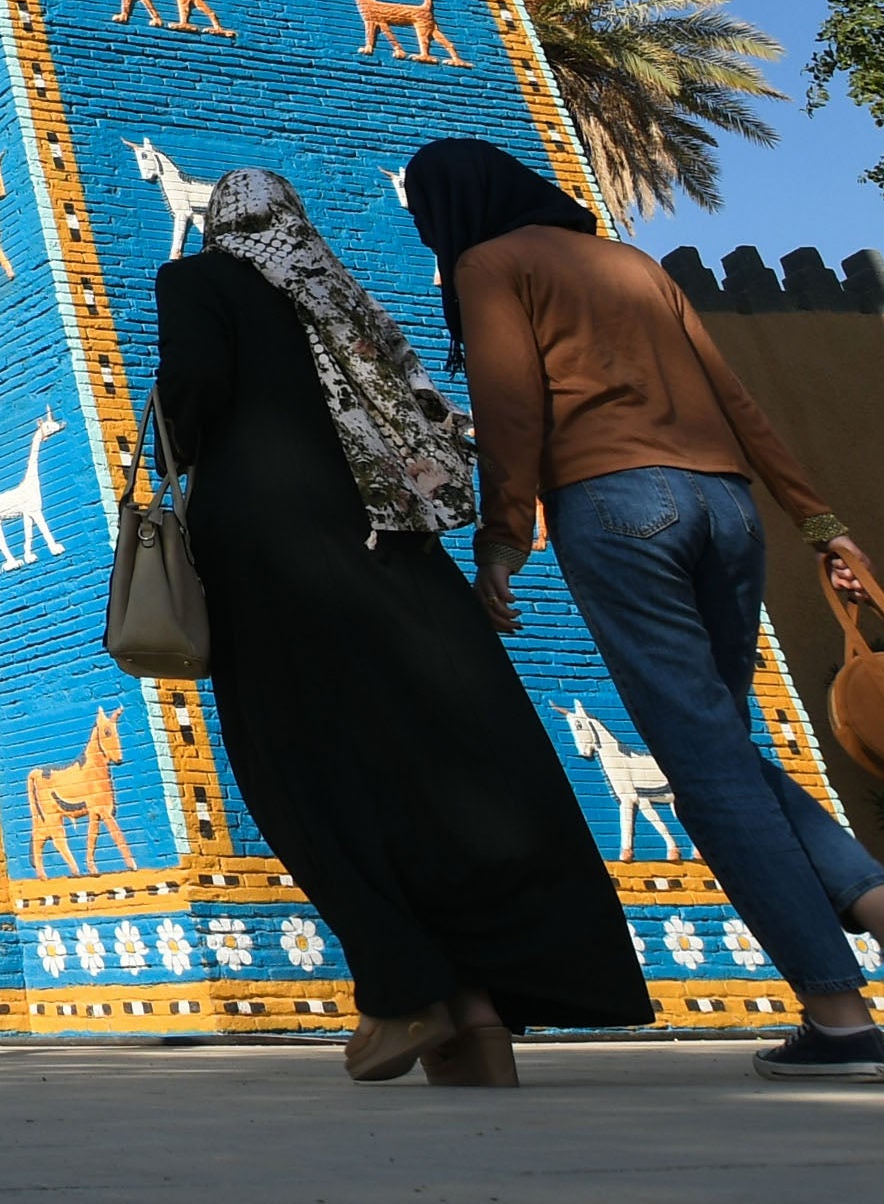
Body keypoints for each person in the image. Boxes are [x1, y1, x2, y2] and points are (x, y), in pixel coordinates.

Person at [406, 136, 884, 1085]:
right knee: (721, 747)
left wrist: (503, 536)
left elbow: (508, 407)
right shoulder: (630, 263)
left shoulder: (490, 262)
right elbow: (736, 395)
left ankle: (842, 1017)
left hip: (617, 505)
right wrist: (820, 520)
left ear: (455, 204)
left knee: (706, 769)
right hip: (728, 510)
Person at [157, 168, 650, 1089]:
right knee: (432, 770)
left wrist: (175, 443)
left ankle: (406, 982)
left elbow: (191, 384)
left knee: (297, 768)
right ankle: (476, 1013)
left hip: (273, 562)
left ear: (219, 224)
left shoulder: (200, 279)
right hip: (397, 551)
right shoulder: (335, 288)